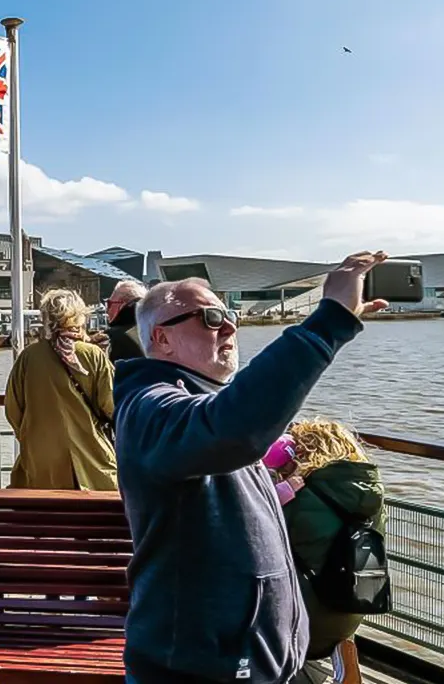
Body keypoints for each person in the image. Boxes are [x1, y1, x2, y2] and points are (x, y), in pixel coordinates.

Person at [112, 251, 391, 684]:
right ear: (162, 339)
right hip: (201, 667)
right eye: (209, 317)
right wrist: (329, 322)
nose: (229, 326)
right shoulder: (151, 408)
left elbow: (232, 423)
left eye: (230, 314)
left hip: (244, 662)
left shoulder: (194, 405)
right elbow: (233, 428)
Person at [276, 419, 387, 684]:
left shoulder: (299, 495)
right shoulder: (374, 495)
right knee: (338, 566)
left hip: (300, 631)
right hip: (350, 615)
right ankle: (346, 656)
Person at [6, 288, 118, 490]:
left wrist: (32, 434)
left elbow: (13, 409)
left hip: (40, 458)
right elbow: (110, 405)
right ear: (79, 317)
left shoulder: (28, 357)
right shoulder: (93, 354)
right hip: (88, 456)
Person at [105, 279, 148, 362]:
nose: (107, 310)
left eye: (109, 303)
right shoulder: (159, 331)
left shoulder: (110, 339)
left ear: (123, 304)